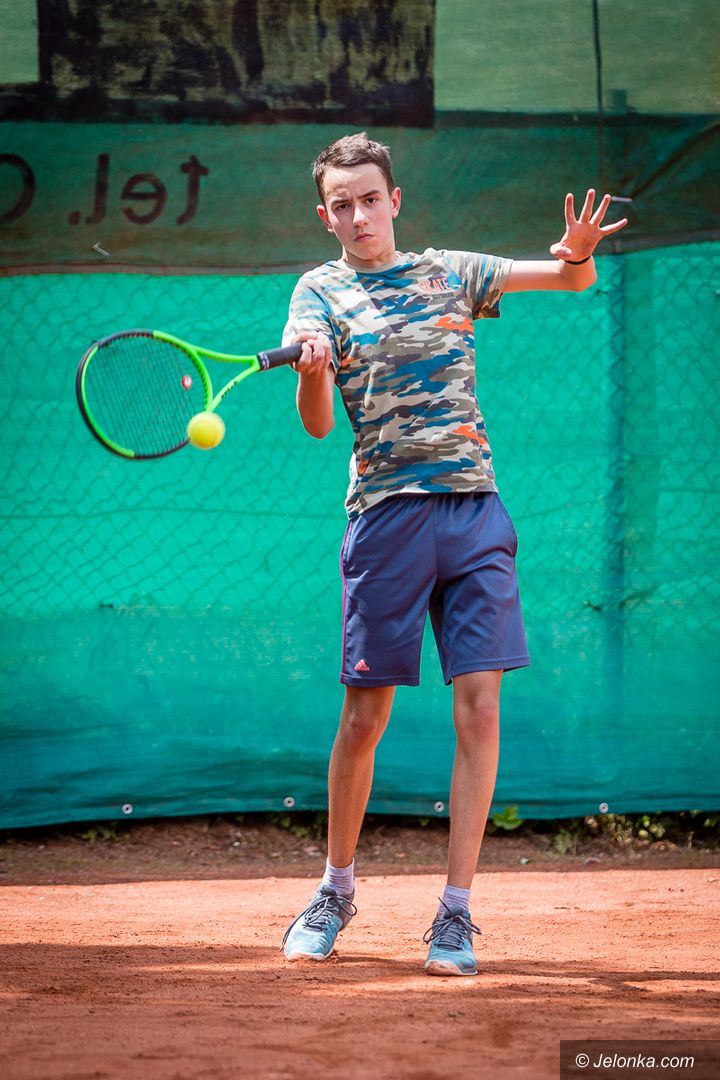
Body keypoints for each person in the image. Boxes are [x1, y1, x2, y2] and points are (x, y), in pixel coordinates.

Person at [280, 132, 627, 976]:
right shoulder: (318, 292)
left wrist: (578, 253)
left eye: (370, 199)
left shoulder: (451, 272)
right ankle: (335, 889)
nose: (359, 216)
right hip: (385, 521)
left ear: (394, 200)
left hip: (475, 515)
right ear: (325, 216)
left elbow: (569, 280)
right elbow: (319, 425)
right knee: (364, 719)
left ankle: (456, 912)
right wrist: (314, 369)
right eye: (341, 205)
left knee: (481, 710)